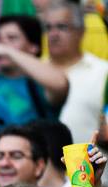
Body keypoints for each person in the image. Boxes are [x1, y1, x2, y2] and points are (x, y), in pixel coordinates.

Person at [0, 14, 68, 126]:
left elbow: (60, 83)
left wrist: (7, 51)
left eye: (12, 38)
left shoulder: (38, 84)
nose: (1, 44)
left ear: (33, 47)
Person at [45, 1, 108, 143]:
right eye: (48, 28)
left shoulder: (103, 72)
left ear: (81, 31)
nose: (53, 34)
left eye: (62, 27)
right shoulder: (36, 71)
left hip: (92, 164)